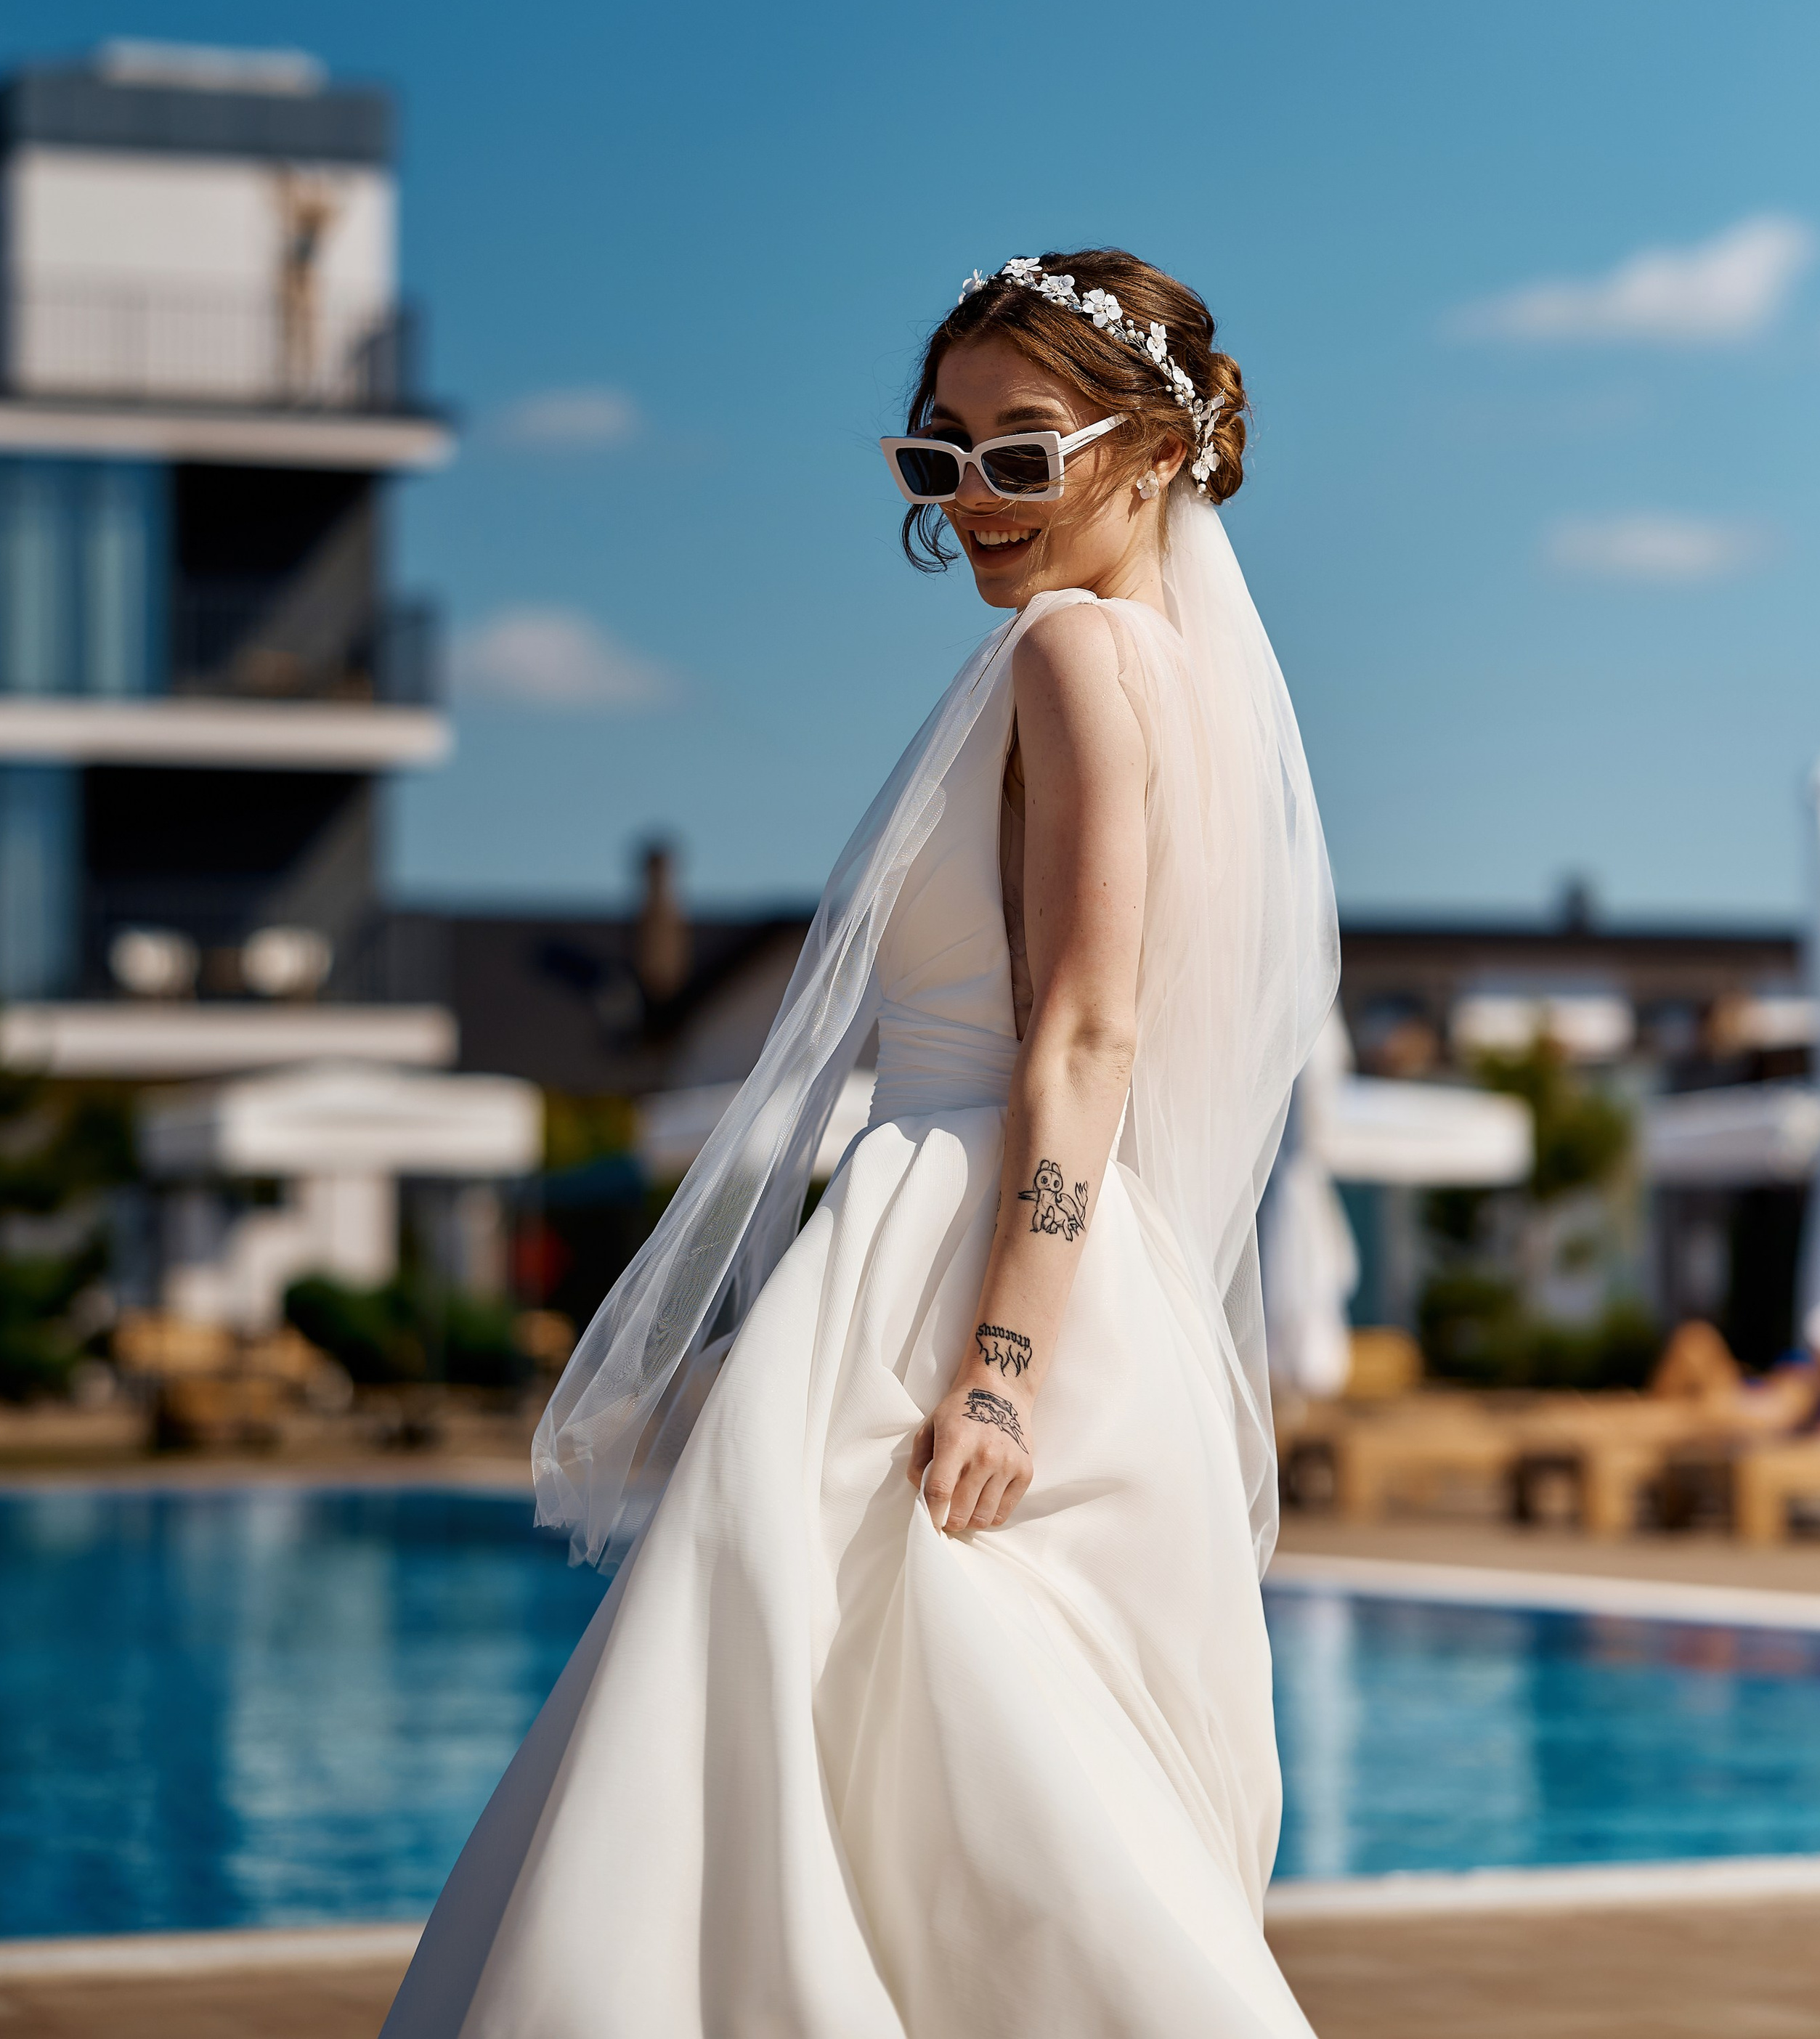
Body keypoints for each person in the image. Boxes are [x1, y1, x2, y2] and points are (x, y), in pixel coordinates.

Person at [385, 248, 1338, 2039]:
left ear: (1148, 454)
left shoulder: (1069, 652)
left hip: (967, 1270)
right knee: (966, 1811)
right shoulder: (1171, 678)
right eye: (937, 457)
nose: (973, 499)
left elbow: (1086, 1029)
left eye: (1019, 451)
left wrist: (991, 1367)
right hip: (1058, 1269)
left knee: (856, 1769)